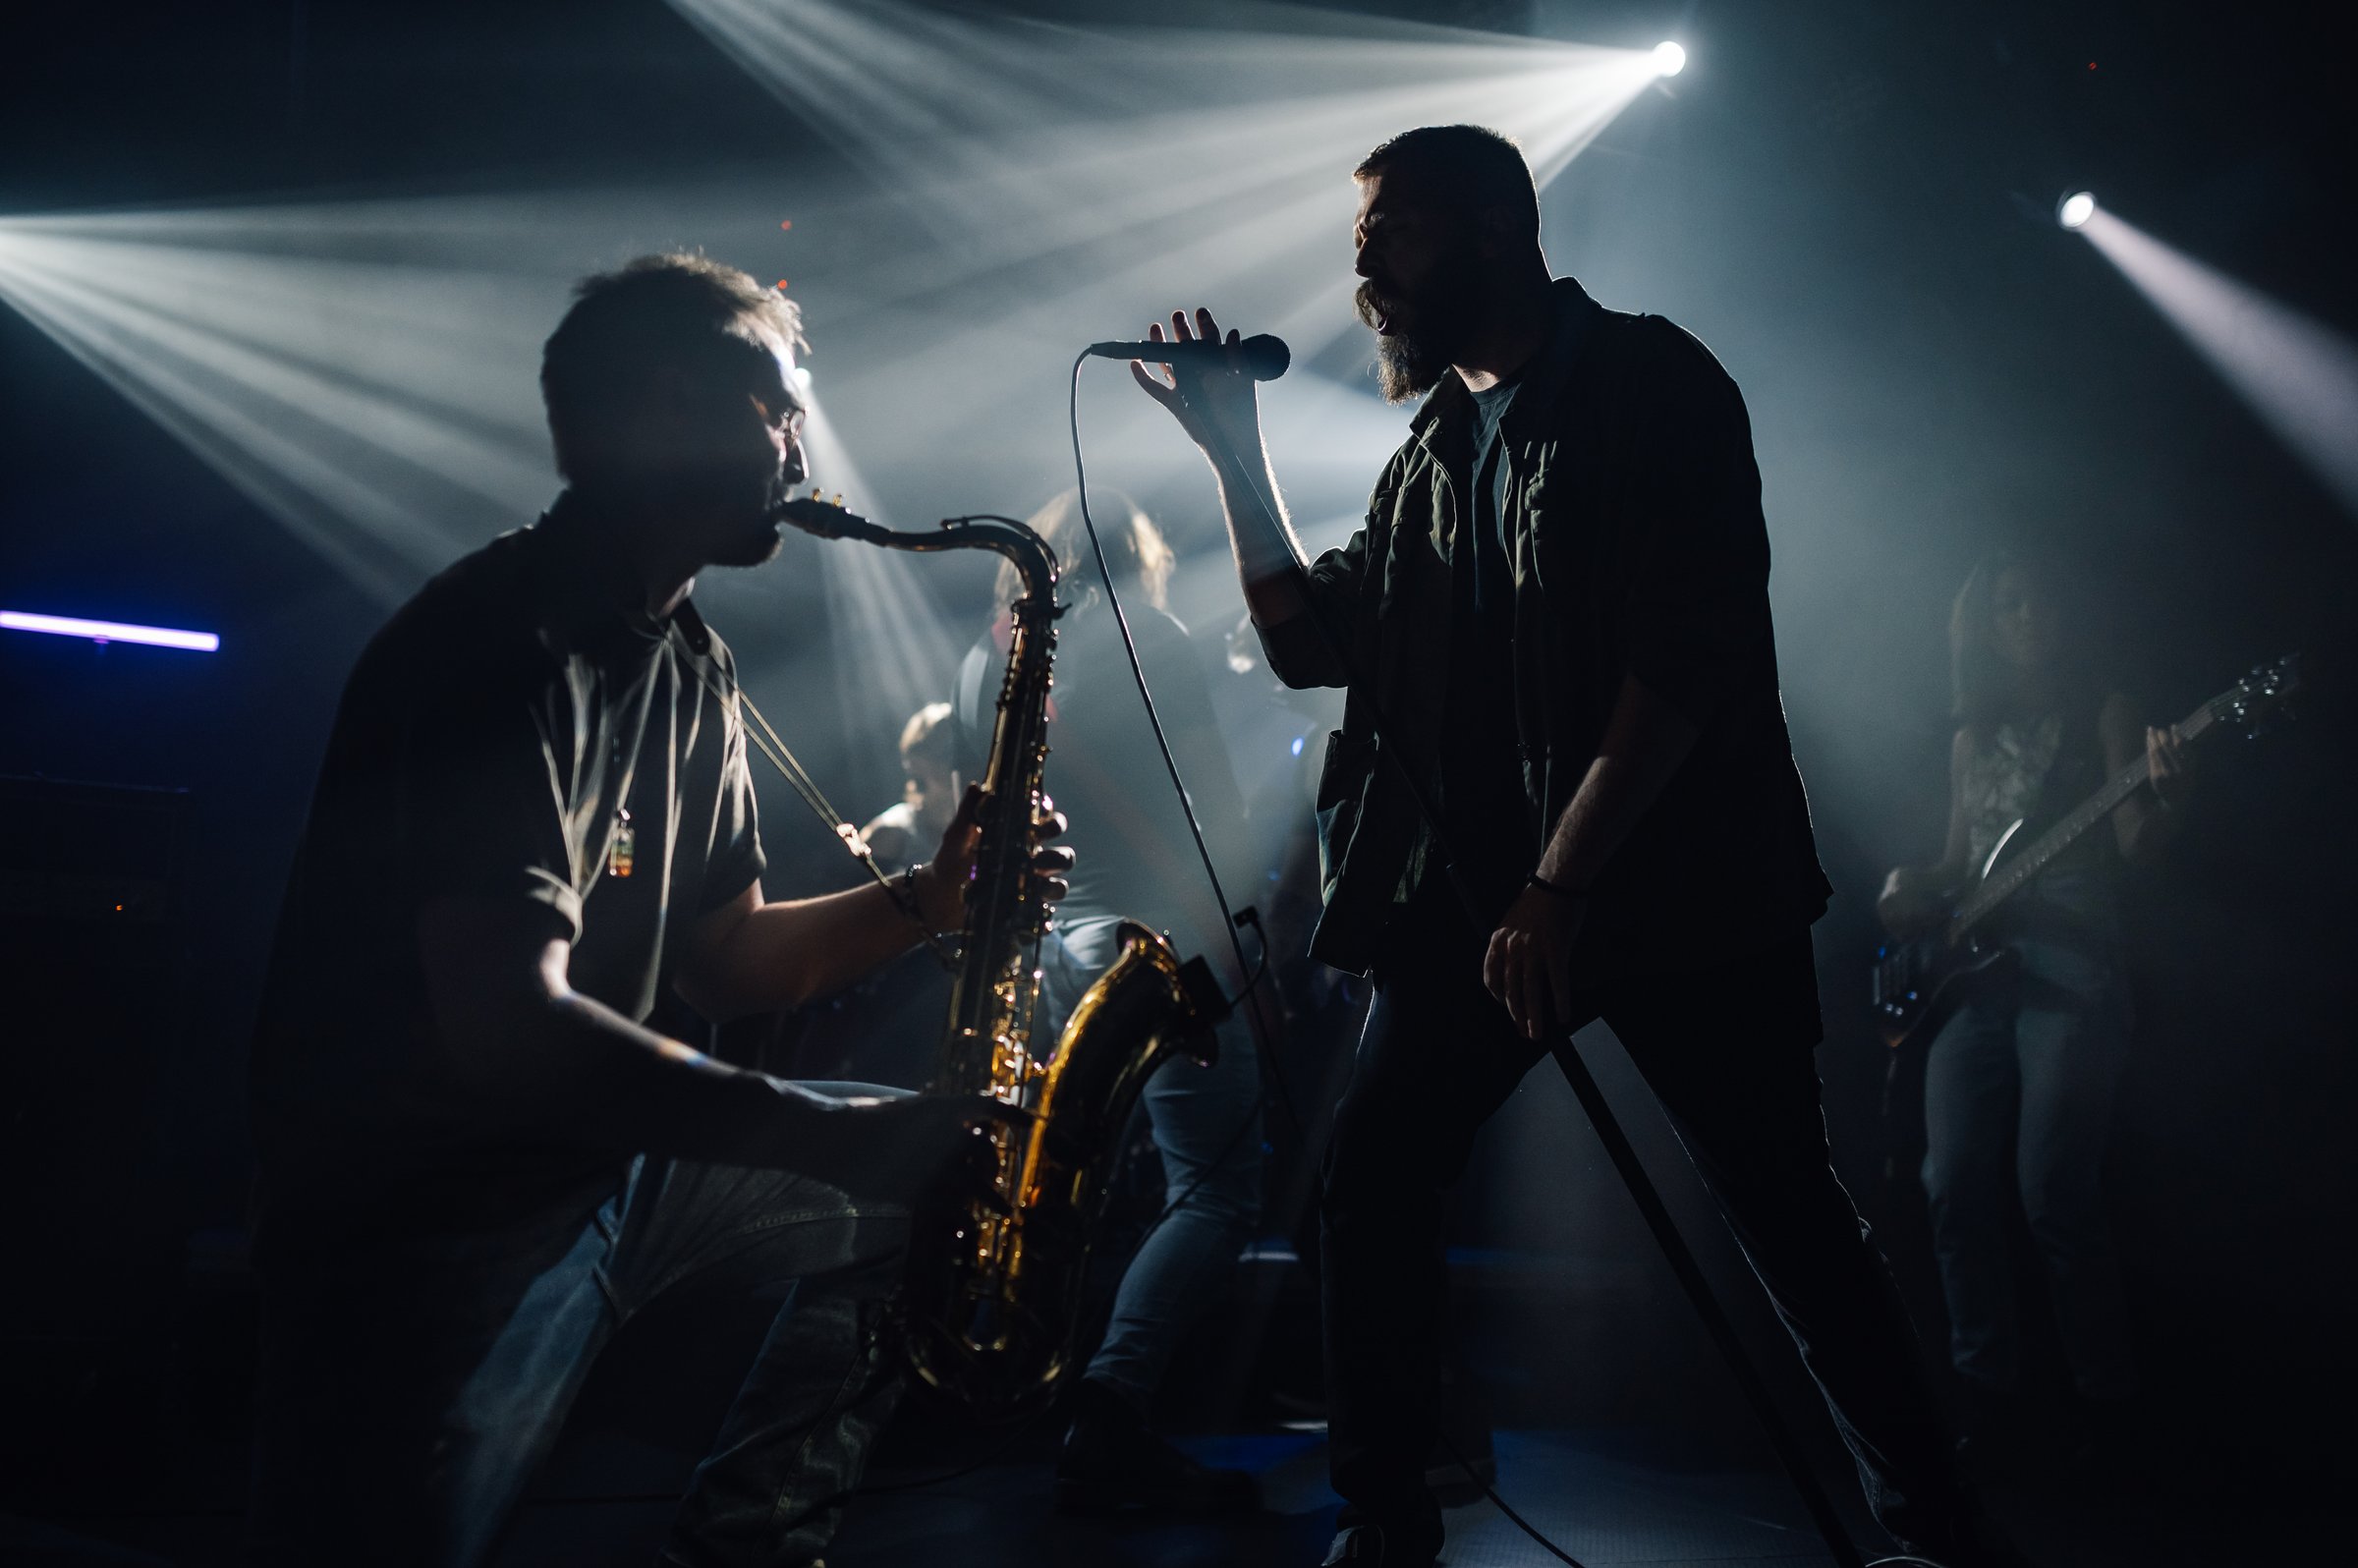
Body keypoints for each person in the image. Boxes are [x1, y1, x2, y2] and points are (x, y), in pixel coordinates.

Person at [1129, 125, 2003, 1567]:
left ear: (1488, 230)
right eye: (1360, 242)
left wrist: (1562, 882)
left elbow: (1687, 660)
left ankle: (1939, 1527)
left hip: (1674, 891)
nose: (1364, 270)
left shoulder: (1652, 383)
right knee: (1382, 1166)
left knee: (1784, 1205)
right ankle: (1387, 1520)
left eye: (1390, 234)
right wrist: (1236, 454)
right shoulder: (1428, 458)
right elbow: (1309, 647)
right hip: (1478, 903)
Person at [246, 253, 1066, 1568]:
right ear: (671, 406)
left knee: (942, 1188)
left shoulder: (690, 658)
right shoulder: (498, 650)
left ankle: (743, 1547)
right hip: (429, 1218)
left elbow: (731, 960)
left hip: (601, 1173)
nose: (804, 443)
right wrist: (822, 1134)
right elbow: (511, 1034)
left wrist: (930, 899)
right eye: (779, 404)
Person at [948, 487, 1265, 1514]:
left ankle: (1014, 1394)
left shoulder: (978, 660)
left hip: (1044, 955)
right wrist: (1243, 959)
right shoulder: (1151, 635)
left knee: (1061, 1194)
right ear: (1136, 554)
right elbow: (1210, 806)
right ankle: (1110, 1407)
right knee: (1214, 1187)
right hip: (1152, 940)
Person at [1879, 549, 2184, 1470]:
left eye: (2042, 598)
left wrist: (2166, 800)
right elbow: (1959, 863)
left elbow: (2137, 848)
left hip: (2075, 959)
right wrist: (1907, 886)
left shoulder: (2108, 712)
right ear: (1984, 620)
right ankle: (1989, 1400)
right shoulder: (1973, 733)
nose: (2027, 616)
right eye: (2009, 603)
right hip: (1976, 975)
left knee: (2053, 1187)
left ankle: (2108, 1408)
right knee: (1949, 1180)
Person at [857, 700, 961, 876]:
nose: (955, 759)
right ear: (917, 761)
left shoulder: (980, 825)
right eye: (943, 750)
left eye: (958, 747)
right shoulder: (887, 834)